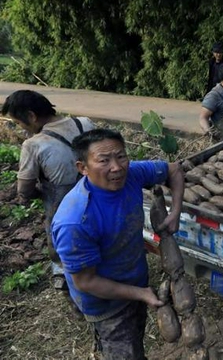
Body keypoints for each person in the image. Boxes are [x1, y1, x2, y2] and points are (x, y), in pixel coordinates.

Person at [51, 129, 184, 359]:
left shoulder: (131, 174)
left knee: (136, 339)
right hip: (106, 305)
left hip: (135, 281)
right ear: (82, 168)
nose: (116, 167)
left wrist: (176, 212)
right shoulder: (75, 221)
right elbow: (85, 281)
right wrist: (141, 293)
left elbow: (174, 169)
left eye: (121, 156)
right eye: (103, 160)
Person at [1, 90, 95, 291]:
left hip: (63, 207)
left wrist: (39, 192)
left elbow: (24, 190)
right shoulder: (85, 124)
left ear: (31, 116)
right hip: (98, 196)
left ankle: (64, 276)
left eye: (19, 123)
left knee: (61, 243)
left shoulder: (34, 144)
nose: (22, 129)